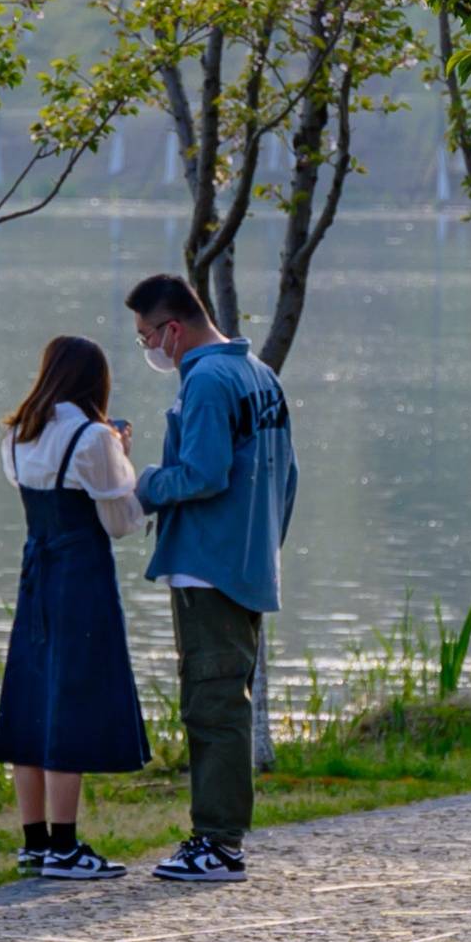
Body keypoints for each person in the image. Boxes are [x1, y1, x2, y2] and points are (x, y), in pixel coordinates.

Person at [124, 273, 297, 881]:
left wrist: (143, 485)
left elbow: (202, 473)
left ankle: (218, 843)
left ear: (173, 330)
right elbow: (288, 477)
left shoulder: (206, 382)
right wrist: (263, 547)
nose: (148, 347)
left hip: (208, 566)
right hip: (249, 561)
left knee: (213, 701)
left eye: (147, 335)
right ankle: (217, 837)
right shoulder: (260, 374)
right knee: (224, 695)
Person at [0, 333, 146, 880]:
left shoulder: (17, 434)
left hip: (36, 571)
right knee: (70, 703)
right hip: (81, 577)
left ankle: (34, 841)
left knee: (31, 698)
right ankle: (66, 846)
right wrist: (122, 457)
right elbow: (120, 523)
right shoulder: (93, 436)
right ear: (94, 381)